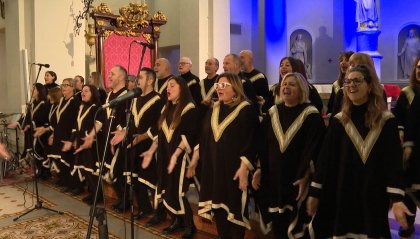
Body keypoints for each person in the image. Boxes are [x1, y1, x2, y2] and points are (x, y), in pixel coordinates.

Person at [307, 65, 412, 238]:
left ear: (370, 86)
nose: (351, 85)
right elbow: (325, 161)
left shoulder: (386, 121)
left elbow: (393, 162)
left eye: (357, 81)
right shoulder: (339, 121)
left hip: (373, 195)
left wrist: (397, 199)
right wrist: (315, 193)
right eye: (347, 81)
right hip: (342, 194)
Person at [187, 73, 259, 239]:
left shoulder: (246, 109)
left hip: (234, 169)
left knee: (234, 213)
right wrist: (195, 160)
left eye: (224, 85)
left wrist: (244, 168)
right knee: (218, 209)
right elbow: (204, 135)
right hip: (213, 167)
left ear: (235, 88)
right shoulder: (215, 108)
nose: (219, 89)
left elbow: (252, 140)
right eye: (217, 86)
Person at [254, 72, 325, 238]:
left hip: (297, 182)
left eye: (292, 84)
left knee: (297, 230)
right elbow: (264, 145)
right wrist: (259, 169)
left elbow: (316, 150)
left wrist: (306, 175)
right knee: (278, 227)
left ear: (301, 89)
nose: (286, 87)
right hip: (274, 181)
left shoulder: (311, 115)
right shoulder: (272, 113)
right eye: (284, 84)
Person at [142, 76, 198, 238]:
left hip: (180, 158)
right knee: (167, 189)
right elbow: (160, 134)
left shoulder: (189, 108)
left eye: (172, 86)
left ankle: (189, 225)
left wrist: (175, 156)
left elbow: (190, 135)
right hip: (165, 155)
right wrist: (151, 151)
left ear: (182, 89)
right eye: (167, 87)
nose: (168, 89)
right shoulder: (166, 109)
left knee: (178, 191)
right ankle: (176, 221)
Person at [111, 67, 163, 219]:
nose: (137, 81)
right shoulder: (136, 99)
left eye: (140, 78)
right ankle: (144, 208)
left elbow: (159, 125)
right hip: (135, 143)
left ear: (150, 80)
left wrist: (143, 136)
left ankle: (159, 213)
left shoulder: (158, 99)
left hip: (151, 145)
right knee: (136, 179)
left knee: (150, 180)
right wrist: (125, 131)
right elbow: (132, 121)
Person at [65, 84, 104, 205]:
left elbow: (99, 124)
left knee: (91, 170)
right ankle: (91, 193)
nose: (83, 93)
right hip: (81, 142)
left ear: (93, 93)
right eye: (82, 91)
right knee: (86, 170)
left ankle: (98, 195)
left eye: (86, 91)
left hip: (92, 143)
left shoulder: (97, 107)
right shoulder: (82, 107)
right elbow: (77, 125)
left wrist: (90, 136)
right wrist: (73, 139)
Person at [397, 58, 420, 238]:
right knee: (409, 188)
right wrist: (402, 133)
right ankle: (407, 224)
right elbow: (400, 119)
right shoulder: (407, 93)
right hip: (412, 148)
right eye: (418, 68)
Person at [48, 78, 81, 194]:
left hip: (68, 135)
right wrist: (53, 134)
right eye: (62, 85)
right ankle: (67, 183)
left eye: (66, 85)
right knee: (61, 161)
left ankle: (76, 186)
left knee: (70, 161)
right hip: (59, 134)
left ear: (72, 87)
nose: (63, 87)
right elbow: (57, 120)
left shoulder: (75, 101)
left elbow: (75, 121)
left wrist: (72, 139)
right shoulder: (62, 100)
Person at [103, 65, 129, 213]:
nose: (109, 76)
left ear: (120, 77)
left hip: (119, 140)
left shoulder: (126, 95)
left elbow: (126, 119)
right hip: (109, 137)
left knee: (118, 171)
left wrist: (120, 133)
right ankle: (121, 199)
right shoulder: (110, 94)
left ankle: (125, 200)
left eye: (112, 74)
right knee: (112, 172)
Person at [34, 86, 63, 179]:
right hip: (50, 133)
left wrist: (46, 129)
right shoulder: (52, 106)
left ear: (54, 96)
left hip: (57, 134)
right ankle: (49, 174)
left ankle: (60, 177)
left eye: (50, 95)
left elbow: (57, 123)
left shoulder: (58, 107)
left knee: (57, 157)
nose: (48, 97)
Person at [327, 51, 354, 116]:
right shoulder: (336, 84)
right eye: (341, 60)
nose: (343, 63)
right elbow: (331, 106)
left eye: (346, 60)